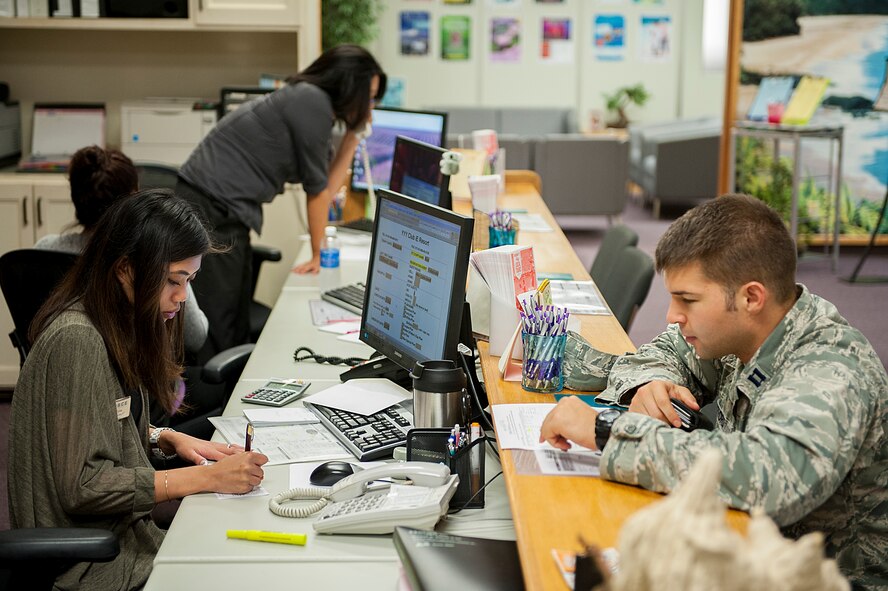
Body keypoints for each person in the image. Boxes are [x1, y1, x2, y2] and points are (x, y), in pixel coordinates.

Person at [539, 194, 887, 589]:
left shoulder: (830, 368)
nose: (672, 315)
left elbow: (770, 478)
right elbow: (664, 351)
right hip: (749, 548)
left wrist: (606, 431)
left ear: (751, 297)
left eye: (687, 299)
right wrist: (651, 383)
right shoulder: (742, 330)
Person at [9, 190, 269, 590]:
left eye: (189, 281)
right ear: (126, 269)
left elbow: (92, 424)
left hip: (126, 535)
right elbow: (83, 485)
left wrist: (165, 437)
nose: (182, 297)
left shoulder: (116, 322)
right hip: (93, 564)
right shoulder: (78, 341)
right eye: (172, 281)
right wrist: (206, 478)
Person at [176, 44, 387, 361]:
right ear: (349, 85)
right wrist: (319, 255)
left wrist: (354, 134)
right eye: (368, 97)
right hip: (209, 205)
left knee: (236, 311)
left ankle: (226, 387)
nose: (370, 105)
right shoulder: (311, 101)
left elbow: (326, 185)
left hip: (226, 208)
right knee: (220, 322)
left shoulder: (313, 101)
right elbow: (317, 193)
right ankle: (212, 397)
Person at [35, 145, 209, 354]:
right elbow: (194, 336)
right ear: (133, 202)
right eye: (173, 280)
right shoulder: (148, 257)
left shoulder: (42, 249)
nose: (180, 295)